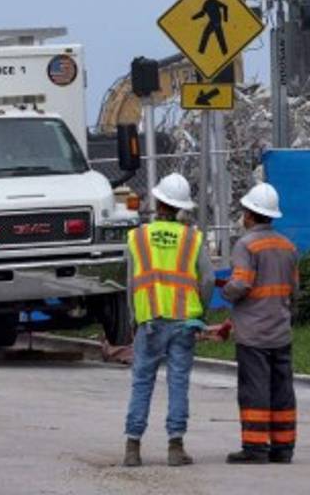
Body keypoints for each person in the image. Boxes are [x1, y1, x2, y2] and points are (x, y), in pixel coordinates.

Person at [122, 173, 214, 468]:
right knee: (178, 383)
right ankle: (175, 447)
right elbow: (209, 278)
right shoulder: (192, 238)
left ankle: (132, 448)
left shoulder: (138, 237)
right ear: (180, 208)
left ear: (157, 200)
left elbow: (131, 283)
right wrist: (201, 313)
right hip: (183, 322)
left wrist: (133, 318)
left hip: (148, 321)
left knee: (141, 383)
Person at [222, 183, 300, 464]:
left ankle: (255, 447)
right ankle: (283, 447)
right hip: (280, 330)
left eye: (245, 211)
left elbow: (241, 283)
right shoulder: (287, 246)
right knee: (282, 390)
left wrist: (226, 291)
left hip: (254, 334)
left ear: (251, 215)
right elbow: (293, 289)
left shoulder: (246, 245)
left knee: (254, 389)